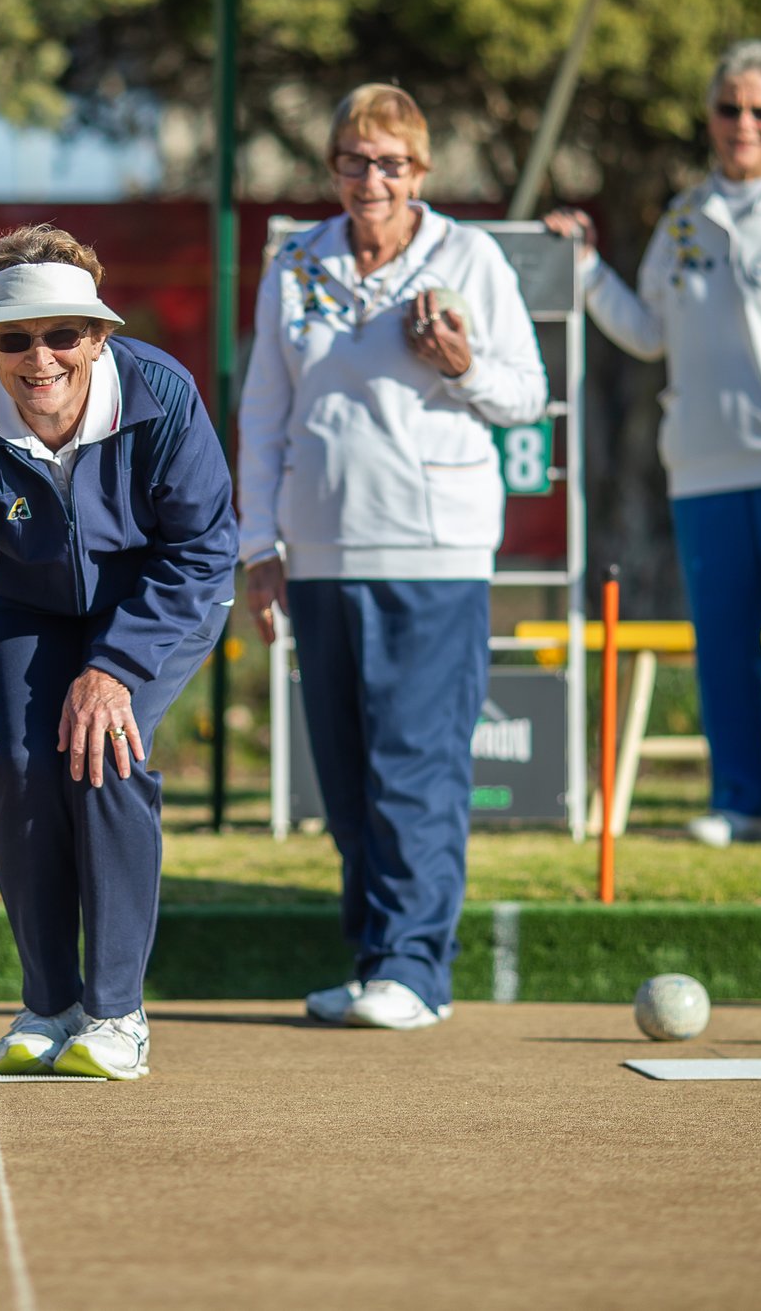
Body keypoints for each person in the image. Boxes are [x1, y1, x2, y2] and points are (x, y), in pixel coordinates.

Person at [0, 225, 236, 1079]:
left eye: (61, 334)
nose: (39, 358)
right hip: (28, 608)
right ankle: (49, 1004)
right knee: (17, 763)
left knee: (105, 753)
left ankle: (118, 1014)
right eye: (15, 338)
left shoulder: (163, 394)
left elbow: (203, 549)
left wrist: (114, 668)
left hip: (159, 599)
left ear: (98, 335)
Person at [237, 84, 549, 1031]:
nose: (371, 181)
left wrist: (464, 366)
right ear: (331, 169)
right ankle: (377, 956)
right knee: (346, 770)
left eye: (392, 164)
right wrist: (258, 545)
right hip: (323, 551)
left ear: (421, 172)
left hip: (436, 549)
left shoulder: (471, 257)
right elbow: (262, 412)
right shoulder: (295, 263)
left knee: (415, 764)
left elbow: (527, 395)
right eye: (354, 162)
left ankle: (417, 968)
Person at [546, 40, 761, 851]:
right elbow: (649, 332)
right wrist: (586, 270)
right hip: (701, 465)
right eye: (730, 108)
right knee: (722, 642)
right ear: (710, 116)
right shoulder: (687, 214)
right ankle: (738, 798)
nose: (745, 125)